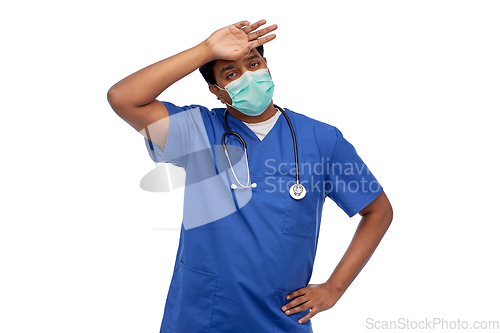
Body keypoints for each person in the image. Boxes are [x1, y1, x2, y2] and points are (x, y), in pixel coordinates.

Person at [107, 19, 393, 333]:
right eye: (231, 74)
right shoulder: (197, 131)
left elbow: (378, 210)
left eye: (254, 63)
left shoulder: (322, 140)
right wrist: (205, 50)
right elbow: (123, 97)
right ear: (217, 92)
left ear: (268, 68)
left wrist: (334, 289)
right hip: (202, 316)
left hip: (280, 317)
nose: (249, 76)